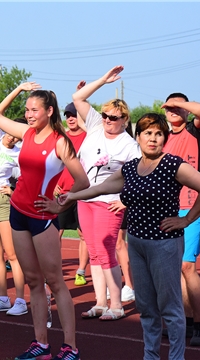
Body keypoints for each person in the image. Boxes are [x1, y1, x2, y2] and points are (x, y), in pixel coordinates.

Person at [59, 113, 200, 360]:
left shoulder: (173, 165)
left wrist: (186, 220)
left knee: (171, 308)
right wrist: (72, 196)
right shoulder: (131, 168)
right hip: (137, 244)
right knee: (146, 307)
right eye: (148, 133)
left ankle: (176, 357)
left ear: (164, 137)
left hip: (164, 244)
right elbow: (103, 187)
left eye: (158, 134)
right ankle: (150, 355)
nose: (153, 139)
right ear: (139, 137)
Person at [0, 60, 89, 360]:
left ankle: (70, 347)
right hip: (17, 213)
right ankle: (41, 344)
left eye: (34, 110)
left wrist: (60, 202)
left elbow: (83, 181)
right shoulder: (26, 133)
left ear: (49, 111)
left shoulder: (60, 142)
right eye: (27, 110)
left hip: (42, 219)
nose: (28, 114)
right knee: (33, 281)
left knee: (55, 282)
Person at [72, 66, 141, 321]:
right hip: (85, 201)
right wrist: (102, 80)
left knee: (107, 251)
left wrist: (125, 201)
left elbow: (137, 177)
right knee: (94, 252)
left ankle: (117, 303)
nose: (108, 120)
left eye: (114, 117)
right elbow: (77, 98)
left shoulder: (129, 145)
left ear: (124, 120)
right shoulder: (93, 127)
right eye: (105, 115)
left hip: (109, 203)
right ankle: (100, 302)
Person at [0, 82, 38, 316]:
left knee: (13, 255)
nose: (13, 138)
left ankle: (21, 301)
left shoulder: (18, 154)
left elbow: (27, 180)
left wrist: (12, 193)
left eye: (17, 136)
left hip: (2, 201)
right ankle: (2, 297)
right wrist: (19, 90)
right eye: (12, 132)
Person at [162, 92, 200, 346]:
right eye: (168, 107)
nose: (172, 110)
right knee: (172, 269)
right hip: (166, 208)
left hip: (191, 207)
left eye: (177, 106)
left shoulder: (195, 130)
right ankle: (185, 321)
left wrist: (178, 104)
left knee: (187, 266)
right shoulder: (162, 137)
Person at [54, 101, 88, 287]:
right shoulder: (61, 137)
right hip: (62, 193)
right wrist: (54, 184)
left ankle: (81, 271)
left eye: (74, 114)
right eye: (68, 115)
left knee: (83, 234)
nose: (71, 118)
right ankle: (55, 269)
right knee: (55, 232)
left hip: (82, 193)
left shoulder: (89, 136)